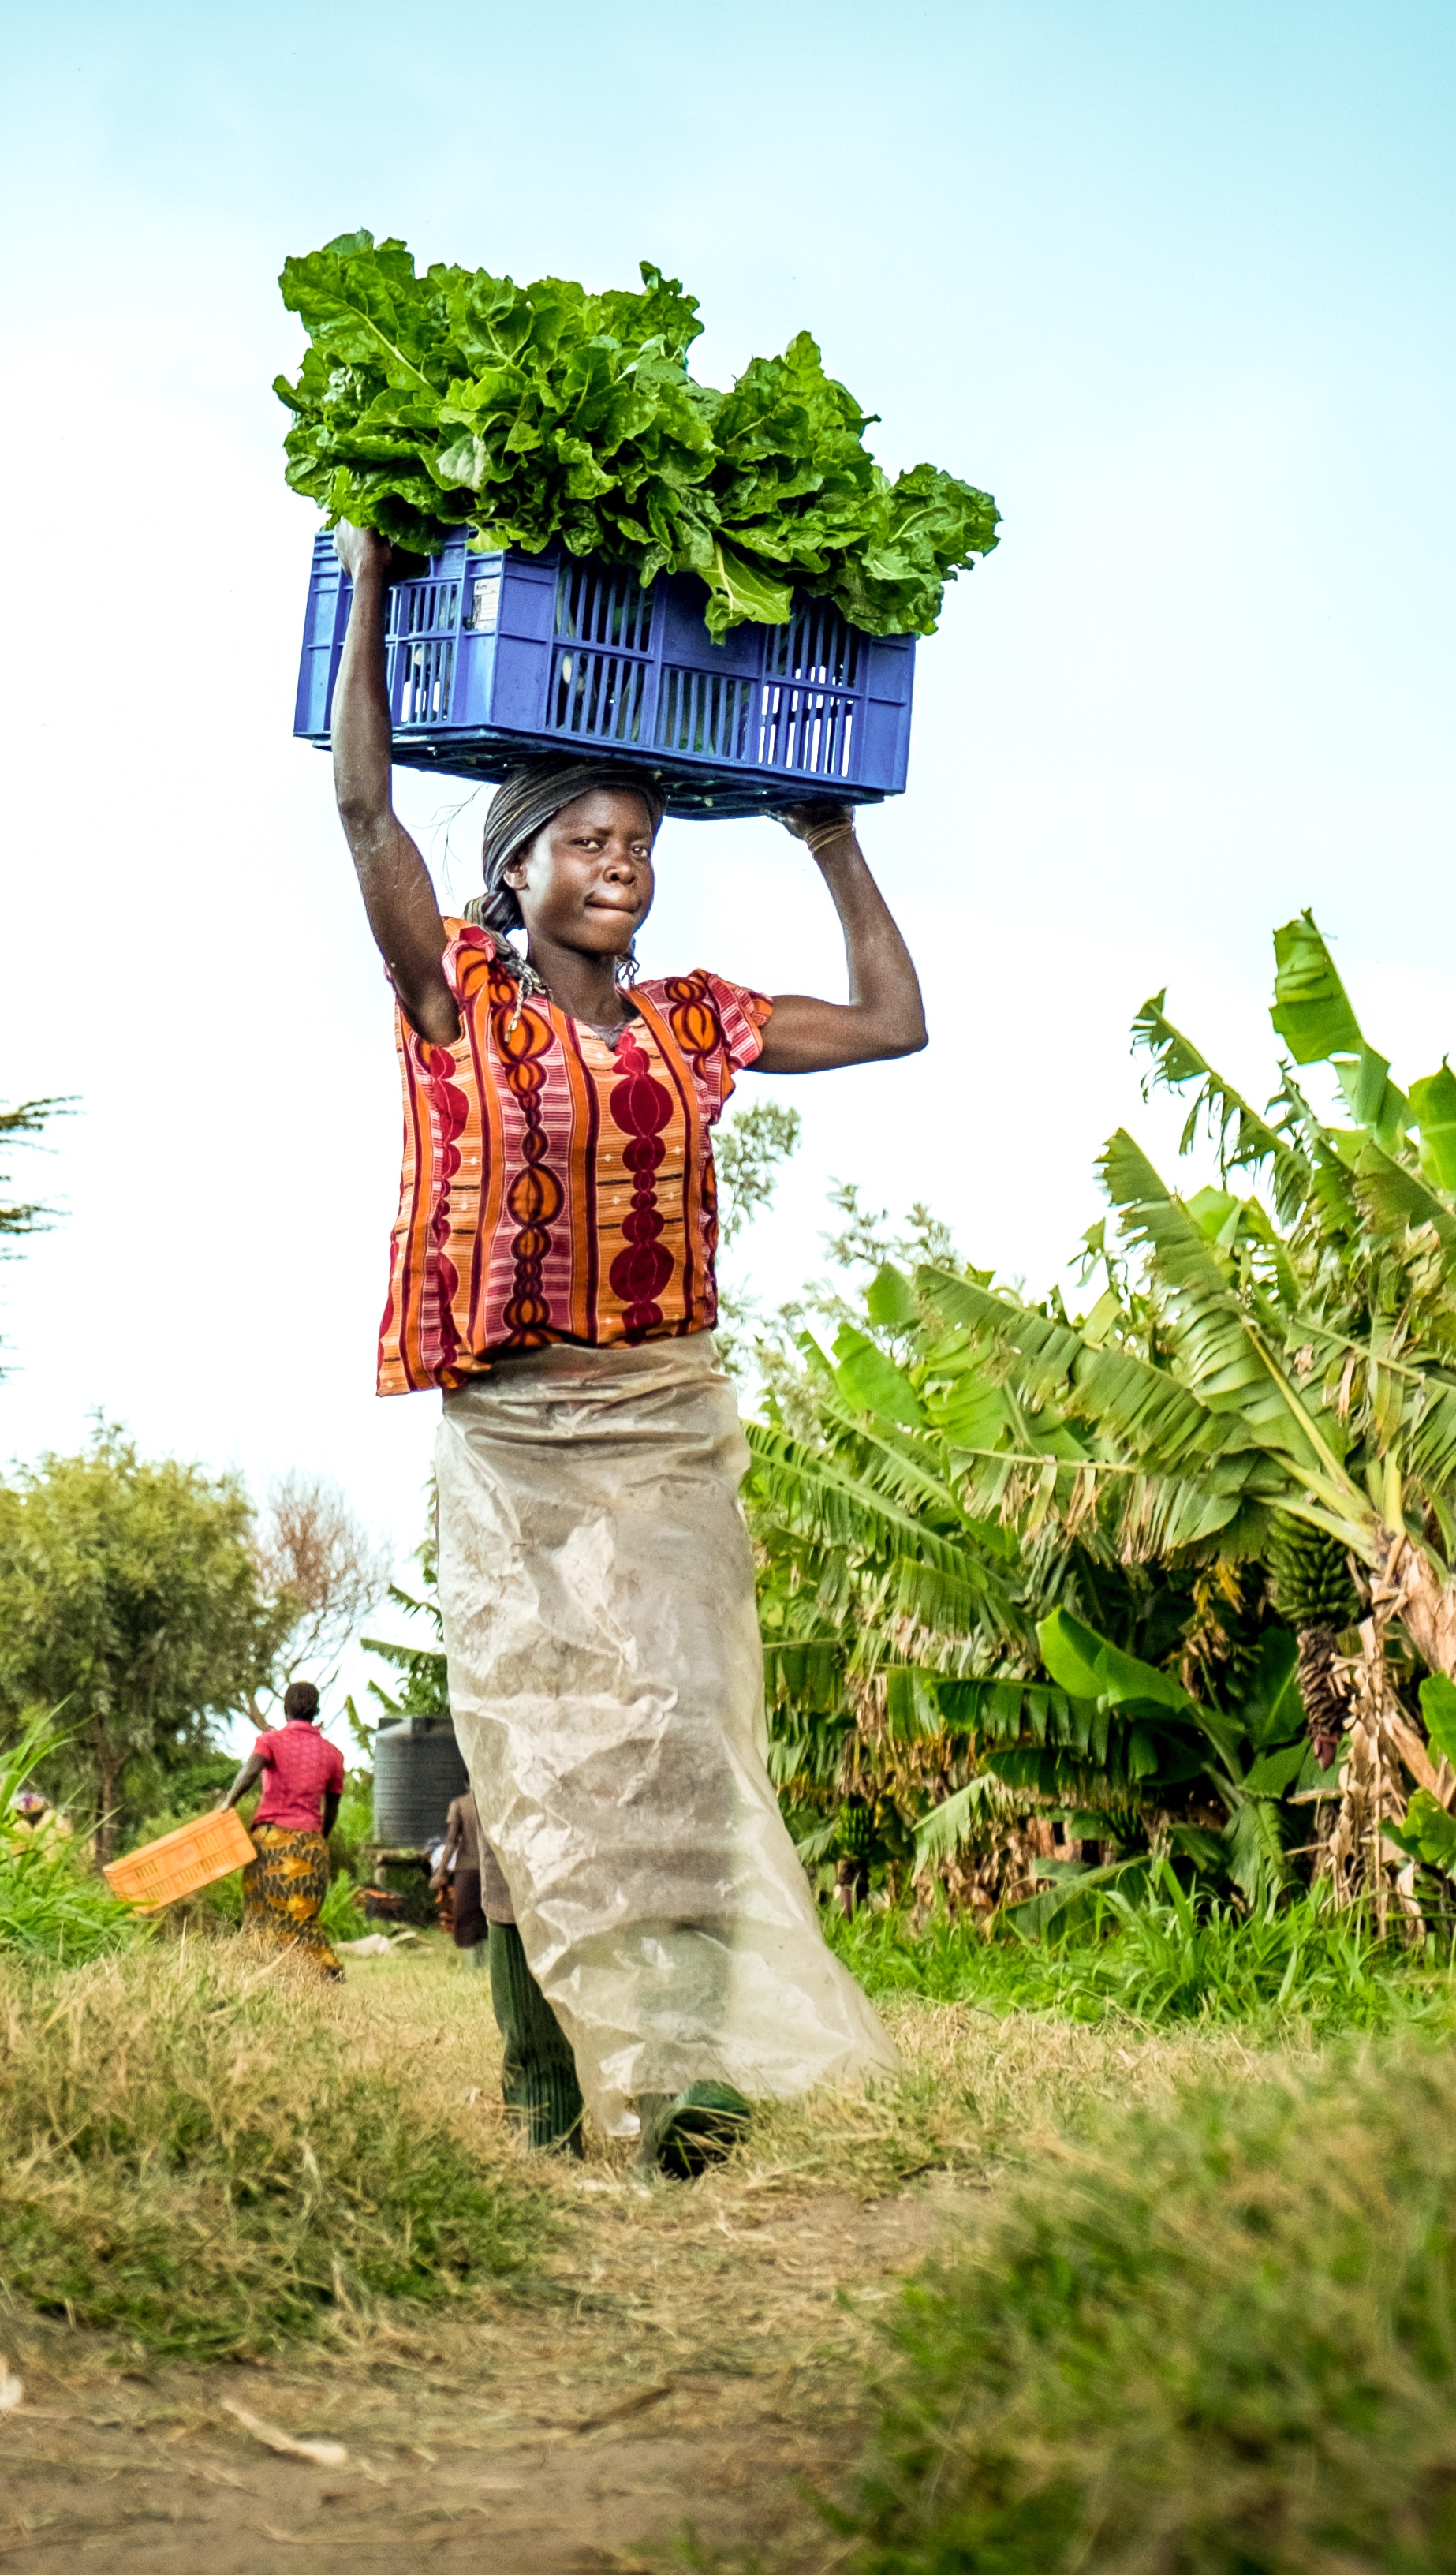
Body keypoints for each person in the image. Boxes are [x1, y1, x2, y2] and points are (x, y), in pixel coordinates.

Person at [329, 523, 916, 2173]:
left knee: (675, 1752)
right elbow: (366, 809)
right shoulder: (456, 1003)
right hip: (515, 1436)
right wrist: (374, 577)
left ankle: (679, 2098)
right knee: (527, 1762)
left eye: (640, 842)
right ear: (514, 873)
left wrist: (829, 841)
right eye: (586, 840)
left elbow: (891, 1024)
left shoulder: (693, 1022)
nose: (621, 863)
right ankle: (549, 2089)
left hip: (661, 1429)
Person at [435, 1787, 579, 2152]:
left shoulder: (464, 1801)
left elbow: (451, 1839)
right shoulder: (473, 1801)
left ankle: (543, 2126)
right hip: (503, 1862)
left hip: (481, 1866)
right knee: (490, 1916)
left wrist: (440, 1871)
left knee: (478, 1918)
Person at [218, 1681, 347, 1978]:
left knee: (260, 1915)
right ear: (316, 1711)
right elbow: (333, 1809)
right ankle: (322, 1970)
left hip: (270, 1843)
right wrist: (317, 1842)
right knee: (303, 1917)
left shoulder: (271, 1741)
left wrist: (228, 1802)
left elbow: (250, 1771)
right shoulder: (333, 1755)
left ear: (285, 1709)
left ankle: (264, 1971)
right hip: (311, 1844)